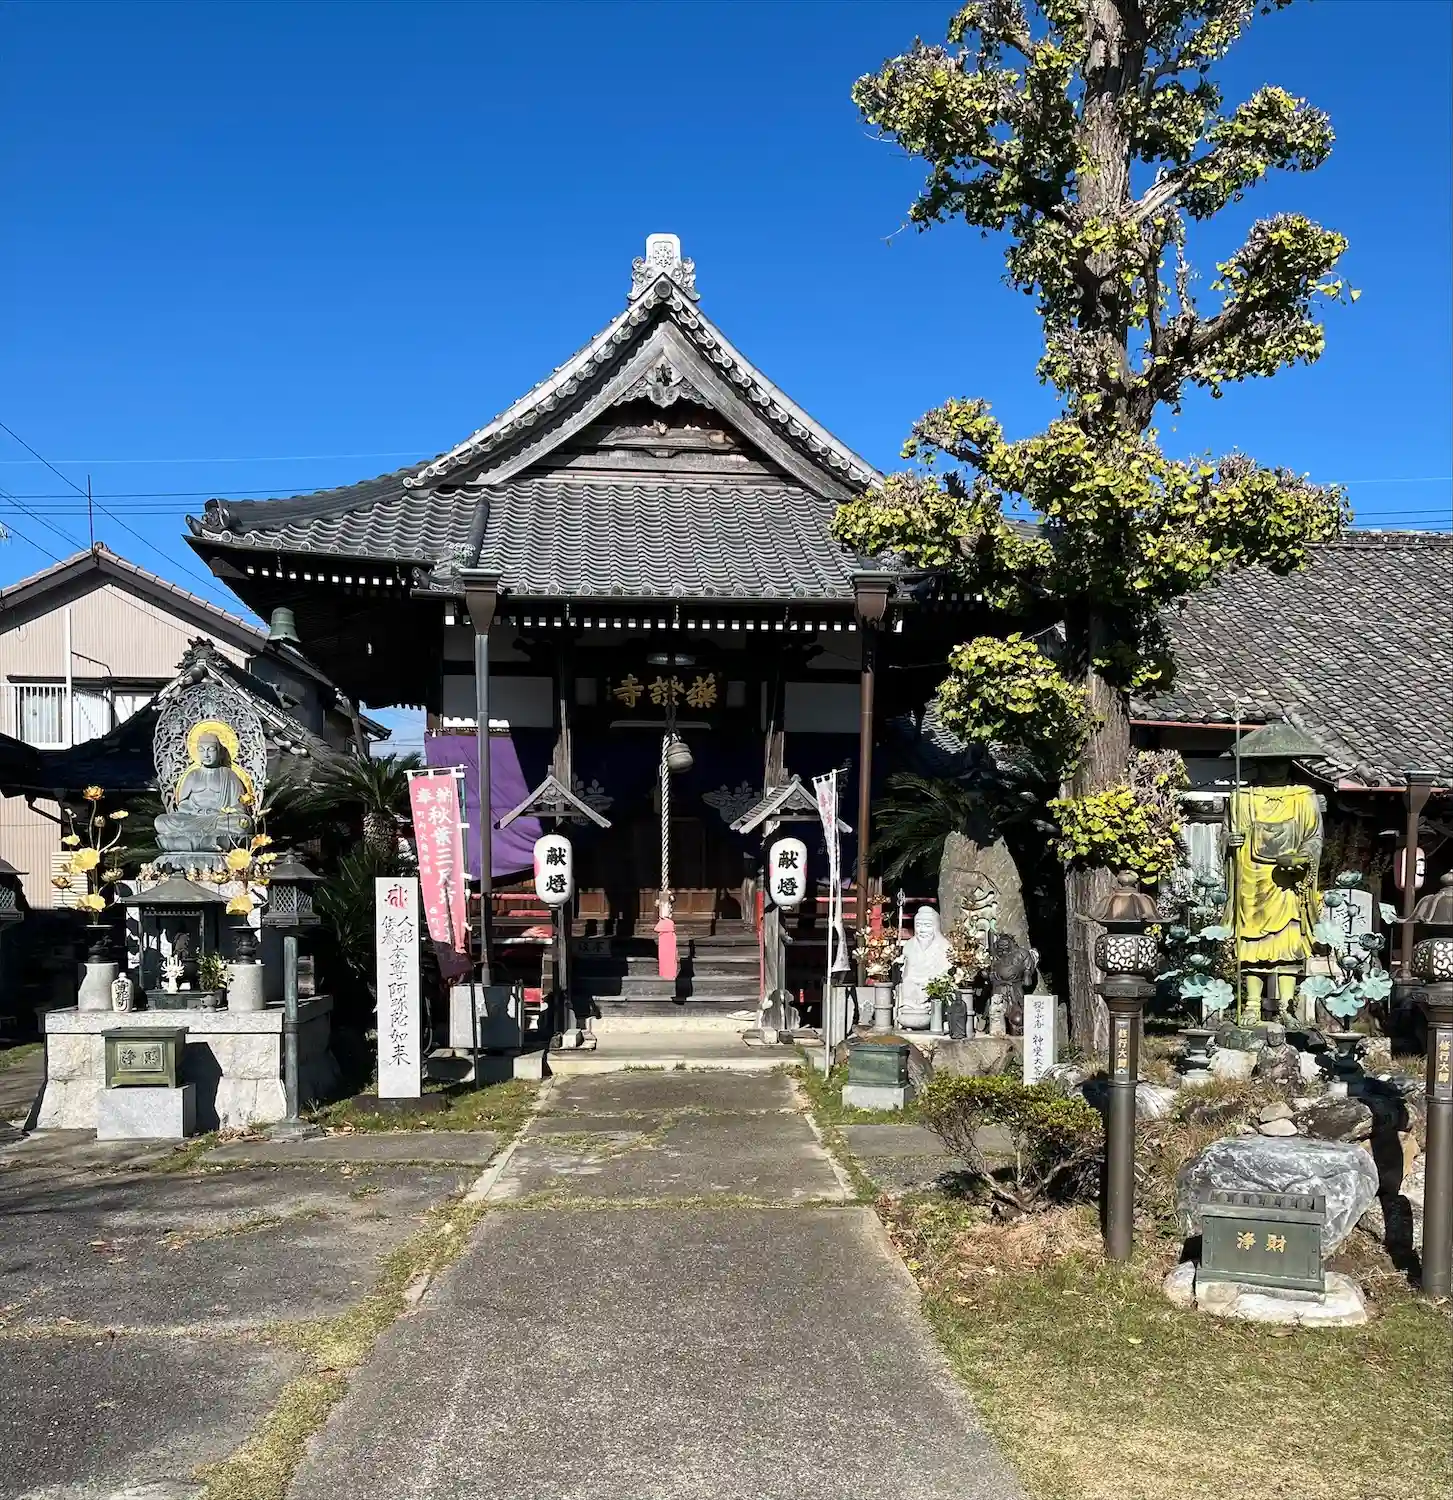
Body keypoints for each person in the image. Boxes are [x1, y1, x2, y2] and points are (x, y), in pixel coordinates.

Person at [155, 731, 251, 855]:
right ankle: (206, 838)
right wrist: (195, 811)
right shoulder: (192, 775)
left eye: (211, 750)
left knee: (242, 823)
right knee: (161, 821)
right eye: (201, 750)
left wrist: (220, 813)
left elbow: (239, 806)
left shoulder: (229, 775)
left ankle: (200, 838)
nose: (206, 754)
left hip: (218, 820)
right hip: (193, 818)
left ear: (219, 752)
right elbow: (182, 805)